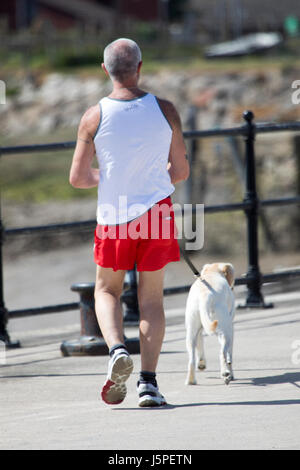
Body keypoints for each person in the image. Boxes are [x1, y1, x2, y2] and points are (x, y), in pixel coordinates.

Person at [69, 38, 189, 407]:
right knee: (151, 299)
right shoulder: (165, 109)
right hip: (156, 213)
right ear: (139, 67)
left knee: (106, 290)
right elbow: (181, 171)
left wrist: (107, 177)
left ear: (105, 70)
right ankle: (148, 384)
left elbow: (77, 177)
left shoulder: (94, 116)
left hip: (114, 217)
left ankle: (118, 349)